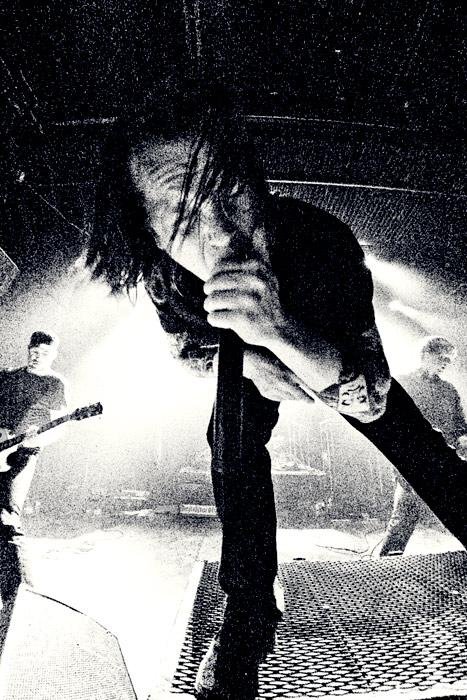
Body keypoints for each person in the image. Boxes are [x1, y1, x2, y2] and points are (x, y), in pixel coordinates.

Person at [87, 87, 467, 700]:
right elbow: (184, 351)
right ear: (152, 234)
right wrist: (248, 361)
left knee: (416, 447)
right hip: (242, 360)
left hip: (322, 342)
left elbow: (370, 395)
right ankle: (248, 612)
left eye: (228, 190)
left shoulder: (319, 242)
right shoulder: (165, 275)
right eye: (183, 215)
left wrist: (280, 333)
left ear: (255, 183)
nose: (222, 233)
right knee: (229, 442)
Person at [380, 336, 467, 556]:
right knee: (405, 515)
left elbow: (459, 424)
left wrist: (463, 438)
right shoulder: (401, 383)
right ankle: (388, 562)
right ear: (426, 354)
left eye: (449, 360)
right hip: (412, 459)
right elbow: (390, 424)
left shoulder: (449, 390)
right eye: (442, 357)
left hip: (445, 459)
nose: (446, 363)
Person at [0, 331, 67, 601]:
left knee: (8, 515)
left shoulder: (55, 384)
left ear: (54, 355)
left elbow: (60, 427)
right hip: (1, 446)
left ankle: (20, 588)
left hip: (24, 454)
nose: (37, 357)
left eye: (44, 353)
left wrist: (37, 437)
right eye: (34, 352)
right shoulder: (9, 377)